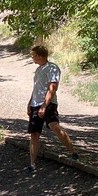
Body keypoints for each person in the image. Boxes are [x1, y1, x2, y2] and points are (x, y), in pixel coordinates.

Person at [25, 44, 79, 174]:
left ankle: (73, 152)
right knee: (34, 134)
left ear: (39, 55)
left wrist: (44, 105)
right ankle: (32, 164)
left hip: (48, 104)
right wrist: (30, 102)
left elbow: (52, 89)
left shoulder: (52, 68)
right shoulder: (38, 70)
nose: (32, 58)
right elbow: (36, 87)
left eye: (34, 55)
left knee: (55, 126)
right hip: (35, 104)